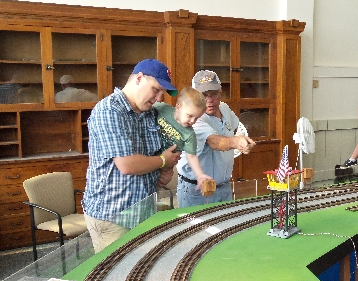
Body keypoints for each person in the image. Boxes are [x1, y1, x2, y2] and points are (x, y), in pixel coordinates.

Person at [82, 59, 181, 253]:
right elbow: (127, 165)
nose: (159, 98)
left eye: (163, 92)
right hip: (112, 217)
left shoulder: (151, 113)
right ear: (139, 78)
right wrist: (162, 161)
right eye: (156, 89)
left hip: (144, 211)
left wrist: (167, 167)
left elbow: (176, 139)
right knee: (114, 276)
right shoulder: (109, 111)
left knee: (139, 274)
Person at [176, 70, 256, 208]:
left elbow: (235, 127)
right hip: (197, 190)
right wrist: (236, 142)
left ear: (220, 92)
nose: (209, 100)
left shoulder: (224, 108)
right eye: (203, 95)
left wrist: (244, 142)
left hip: (223, 187)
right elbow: (214, 141)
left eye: (213, 94)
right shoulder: (194, 118)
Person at [153, 87, 212, 189]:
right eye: (190, 115)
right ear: (178, 107)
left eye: (196, 118)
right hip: (149, 156)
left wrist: (200, 175)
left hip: (164, 168)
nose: (192, 121)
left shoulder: (189, 134)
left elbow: (192, 156)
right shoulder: (162, 109)